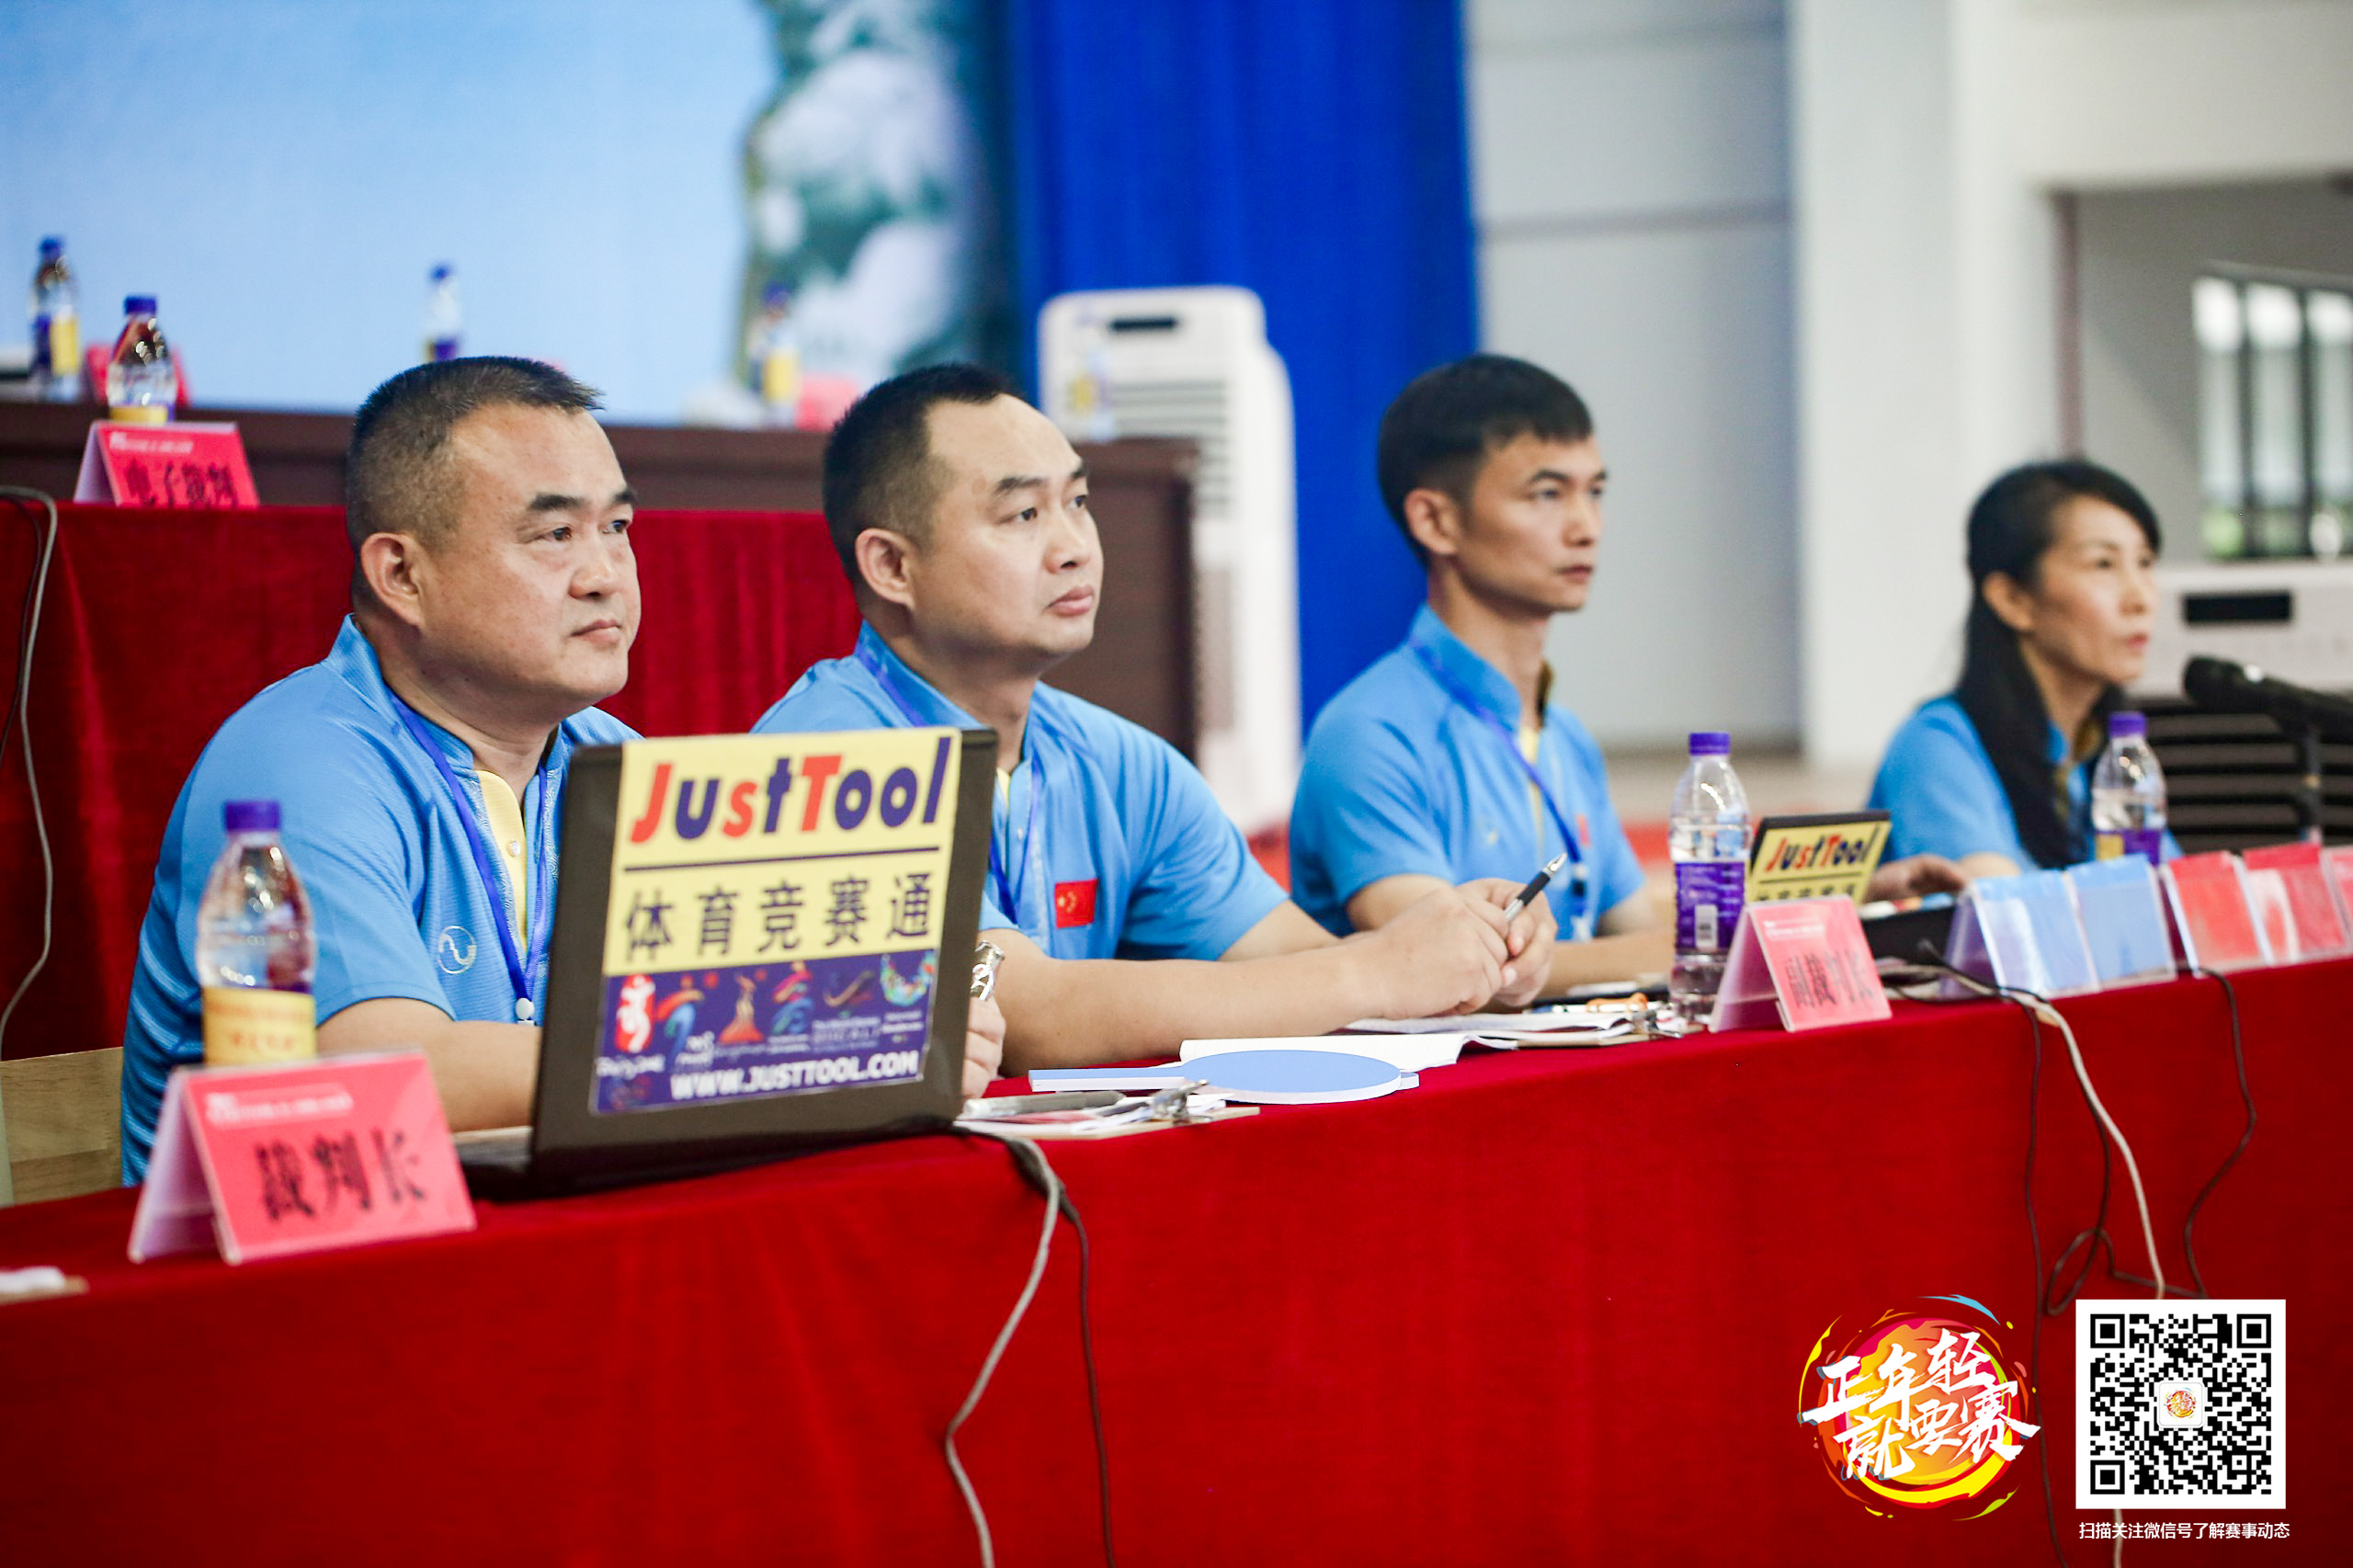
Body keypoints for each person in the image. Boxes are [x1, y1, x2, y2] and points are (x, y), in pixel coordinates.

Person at [118, 356, 1005, 1179]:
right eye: (554, 534)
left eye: (616, 528)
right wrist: (789, 1047)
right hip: (304, 1259)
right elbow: (385, 1069)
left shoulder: (618, 761)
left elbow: (784, 1003)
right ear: (402, 575)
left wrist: (890, 1024)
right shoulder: (298, 766)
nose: (605, 575)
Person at [754, 364, 1552, 1073]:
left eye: (1077, 502)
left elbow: (1290, 964)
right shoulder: (826, 765)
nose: (1075, 547)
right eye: (1023, 514)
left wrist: (1463, 953)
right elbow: (1028, 1015)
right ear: (892, 565)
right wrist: (1378, 971)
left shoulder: (1124, 763)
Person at [1291, 356, 1961, 994]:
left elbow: (1632, 924)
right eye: (1547, 494)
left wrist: (1825, 897)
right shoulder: (1370, 734)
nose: (1587, 526)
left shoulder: (1564, 735)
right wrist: (1722, 942)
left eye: (1596, 492)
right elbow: (1447, 966)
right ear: (1436, 520)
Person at [1869, 459, 2177, 878]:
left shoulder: (2106, 754)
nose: (2141, 599)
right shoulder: (1937, 747)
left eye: (2145, 563)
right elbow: (1998, 906)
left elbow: (2169, 890)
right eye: (2103, 565)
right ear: (2013, 599)